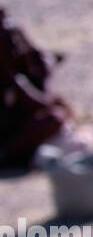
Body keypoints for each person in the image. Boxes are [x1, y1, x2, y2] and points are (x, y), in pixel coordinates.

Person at [0, 11, 69, 169]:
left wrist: (16, 81)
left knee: (54, 117)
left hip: (17, 128)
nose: (12, 43)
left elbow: (43, 102)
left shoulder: (32, 61)